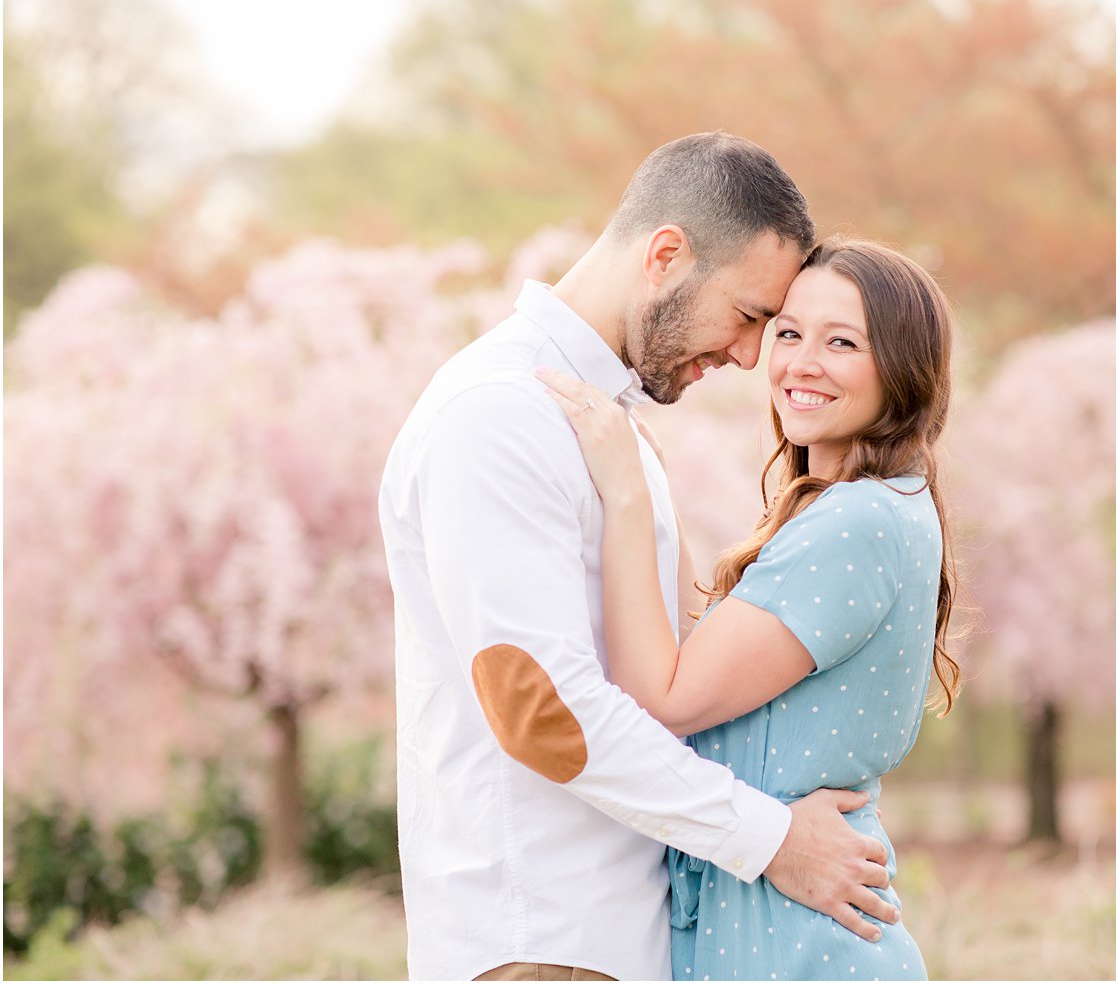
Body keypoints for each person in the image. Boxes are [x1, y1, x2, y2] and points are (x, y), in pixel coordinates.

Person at [378, 135, 900, 982]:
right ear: (665, 255)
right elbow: (542, 710)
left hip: (611, 941)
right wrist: (771, 840)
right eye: (751, 317)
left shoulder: (602, 425)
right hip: (542, 944)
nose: (748, 356)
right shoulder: (499, 416)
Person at [539, 235, 961, 981]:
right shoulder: (879, 507)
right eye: (789, 332)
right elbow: (697, 655)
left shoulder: (856, 523)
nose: (800, 361)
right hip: (775, 933)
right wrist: (648, 478)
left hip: (795, 946)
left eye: (843, 342)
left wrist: (629, 497)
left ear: (901, 367)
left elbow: (663, 696)